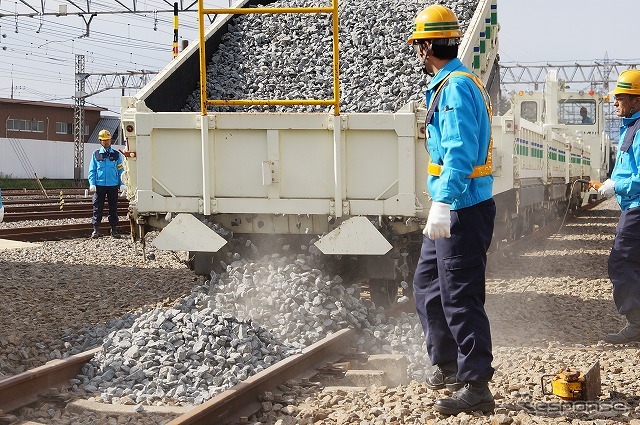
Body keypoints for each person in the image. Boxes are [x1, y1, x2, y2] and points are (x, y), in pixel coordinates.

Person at [407, 4, 496, 416]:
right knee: (427, 285)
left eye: (418, 46)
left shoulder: (456, 87)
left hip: (461, 207)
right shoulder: (449, 84)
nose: (417, 55)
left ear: (428, 46)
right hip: (451, 205)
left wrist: (443, 203)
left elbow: (460, 152)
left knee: (460, 296)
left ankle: (476, 386)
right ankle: (448, 365)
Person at [595, 69, 640, 344]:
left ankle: (636, 323)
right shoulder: (631, 127)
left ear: (636, 100)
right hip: (632, 205)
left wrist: (617, 187)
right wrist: (613, 180)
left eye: (619, 98)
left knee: (621, 262)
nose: (614, 103)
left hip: (637, 206)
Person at [88, 129, 124, 239]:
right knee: (97, 208)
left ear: (110, 140)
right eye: (103, 140)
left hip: (113, 186)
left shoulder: (117, 155)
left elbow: (120, 171)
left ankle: (114, 230)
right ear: (100, 141)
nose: (106, 142)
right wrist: (92, 183)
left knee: (113, 208)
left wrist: (122, 183)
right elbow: (92, 170)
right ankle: (96, 230)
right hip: (99, 186)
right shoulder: (96, 154)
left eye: (107, 140)